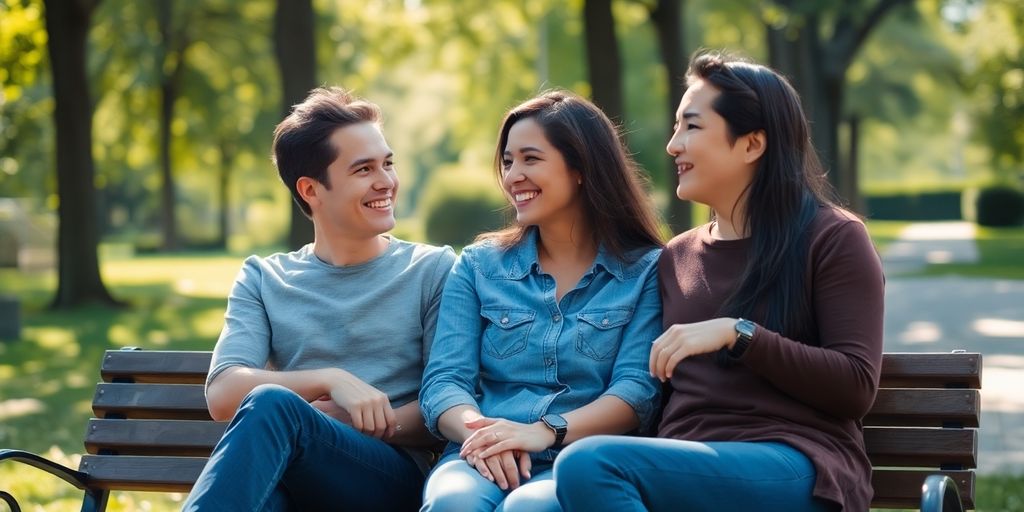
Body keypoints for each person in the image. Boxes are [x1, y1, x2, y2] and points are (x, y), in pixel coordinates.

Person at [554, 51, 885, 511]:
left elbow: (855, 386)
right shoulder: (676, 257)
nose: (673, 145)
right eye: (675, 127)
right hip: (681, 467)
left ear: (751, 144)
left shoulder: (833, 238)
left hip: (796, 463)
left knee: (588, 464)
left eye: (691, 126)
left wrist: (737, 333)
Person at [182, 87, 456, 511]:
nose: (385, 181)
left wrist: (353, 420)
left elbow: (446, 403)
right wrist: (331, 380)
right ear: (311, 190)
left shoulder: (431, 269)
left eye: (387, 163)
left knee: (275, 406)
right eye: (364, 169)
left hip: (389, 477)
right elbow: (223, 392)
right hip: (292, 473)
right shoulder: (264, 277)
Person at [418, 91, 665, 512]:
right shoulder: (478, 266)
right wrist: (491, 436)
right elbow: (444, 381)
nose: (514, 175)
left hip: (579, 459)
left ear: (581, 168)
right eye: (508, 161)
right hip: (478, 454)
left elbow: (635, 393)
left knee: (529, 509)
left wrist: (545, 431)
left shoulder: (647, 271)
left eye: (531, 159)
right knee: (452, 505)